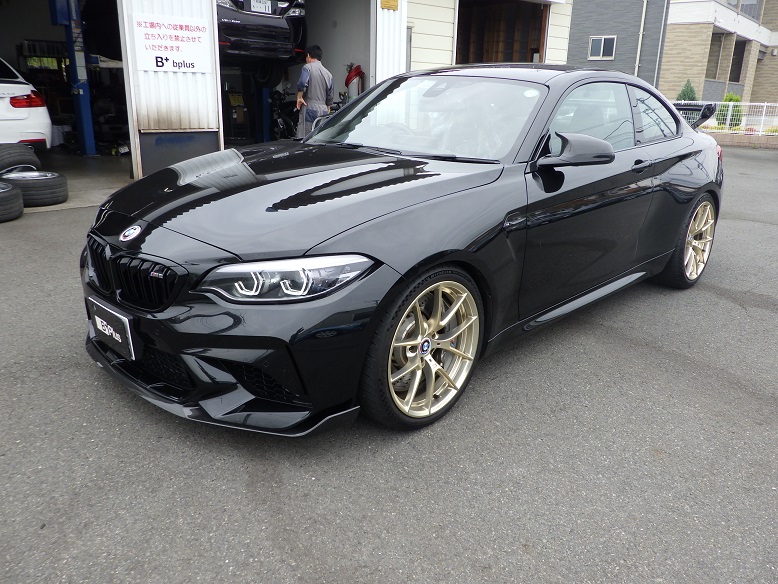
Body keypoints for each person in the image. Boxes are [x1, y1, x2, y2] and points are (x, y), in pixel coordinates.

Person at [295, 45, 334, 138]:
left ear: (308, 55)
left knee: (305, 137)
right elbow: (330, 94)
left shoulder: (307, 67)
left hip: (310, 107)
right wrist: (328, 106)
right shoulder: (328, 74)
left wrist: (299, 97)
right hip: (324, 110)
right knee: (320, 137)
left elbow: (302, 83)